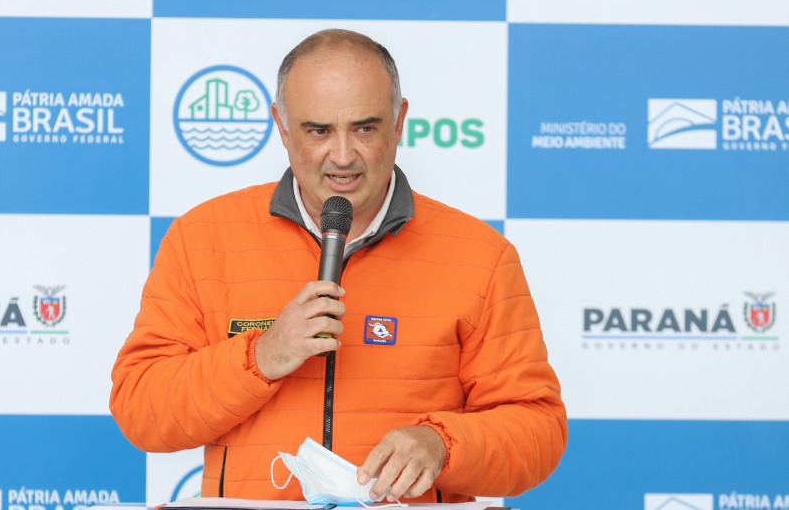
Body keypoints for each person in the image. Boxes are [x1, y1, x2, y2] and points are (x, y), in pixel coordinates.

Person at [110, 29, 567, 503]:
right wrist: (261, 356)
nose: (344, 156)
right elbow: (141, 410)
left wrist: (444, 445)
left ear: (399, 121)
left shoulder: (480, 255)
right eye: (319, 131)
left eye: (365, 128)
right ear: (282, 128)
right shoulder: (202, 238)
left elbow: (538, 429)